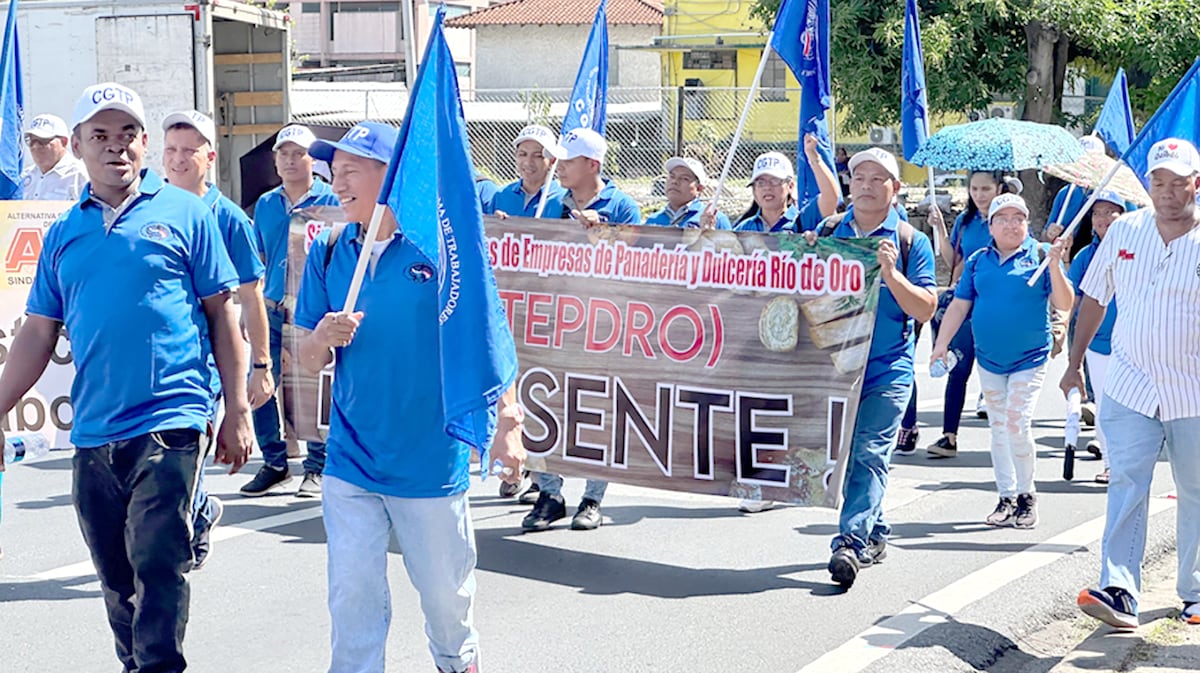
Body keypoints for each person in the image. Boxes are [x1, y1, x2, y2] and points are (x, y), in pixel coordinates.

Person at [0, 82, 253, 673]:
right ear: (80, 148)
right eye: (100, 136)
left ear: (144, 144)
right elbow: (38, 334)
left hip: (171, 418)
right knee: (117, 581)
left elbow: (225, 313)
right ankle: (135, 663)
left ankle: (159, 666)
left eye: (127, 135)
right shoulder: (64, 233)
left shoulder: (186, 214)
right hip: (93, 432)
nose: (115, 147)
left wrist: (238, 406)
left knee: (157, 564)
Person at [294, 121, 525, 673]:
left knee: (446, 603)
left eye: (352, 169)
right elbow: (306, 358)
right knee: (352, 597)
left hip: (429, 460)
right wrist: (322, 338)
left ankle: (456, 661)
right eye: (334, 169)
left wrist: (508, 421)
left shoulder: (440, 251)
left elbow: (487, 337)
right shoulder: (329, 250)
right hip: (351, 459)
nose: (338, 180)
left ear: (391, 175)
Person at [1065, 138, 1200, 630]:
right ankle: (1120, 588)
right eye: (1158, 182)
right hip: (1130, 384)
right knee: (1126, 481)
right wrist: (1074, 360)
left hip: (1193, 392)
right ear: (1147, 184)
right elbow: (1095, 297)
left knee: (1196, 490)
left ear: (1196, 186)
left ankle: (1195, 590)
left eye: (1177, 184)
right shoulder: (1124, 230)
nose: (1166, 193)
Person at [811, 147, 937, 587]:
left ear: (895, 188)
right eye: (858, 177)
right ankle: (875, 528)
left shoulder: (908, 241)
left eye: (876, 178)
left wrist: (891, 273)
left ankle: (849, 541)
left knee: (869, 452)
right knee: (844, 456)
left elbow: (924, 309)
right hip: (835, 366)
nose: (865, 185)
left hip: (887, 367)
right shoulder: (828, 231)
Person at [160, 109, 270, 568]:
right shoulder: (151, 207)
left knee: (190, 450)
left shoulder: (227, 219)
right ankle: (201, 508)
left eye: (189, 151)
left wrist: (260, 365)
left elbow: (251, 294)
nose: (179, 160)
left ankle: (195, 515)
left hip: (208, 363)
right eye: (171, 150)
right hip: (163, 360)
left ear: (209, 156)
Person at [520, 127, 638, 532]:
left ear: (592, 165)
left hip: (602, 326)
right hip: (553, 324)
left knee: (597, 412)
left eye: (568, 161)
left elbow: (639, 261)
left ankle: (592, 498)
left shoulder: (621, 206)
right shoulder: (550, 204)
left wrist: (602, 233)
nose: (561, 167)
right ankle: (549, 493)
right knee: (542, 403)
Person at [931, 194, 1073, 529]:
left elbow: (1065, 302)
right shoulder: (979, 260)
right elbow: (959, 305)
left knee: (1016, 424)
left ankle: (1027, 496)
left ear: (1027, 223)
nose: (1011, 224)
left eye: (1018, 218)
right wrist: (940, 344)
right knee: (998, 429)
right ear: (991, 225)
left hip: (1030, 357)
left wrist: (1055, 265)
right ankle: (1006, 496)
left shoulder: (1040, 255)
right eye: (1003, 218)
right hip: (990, 359)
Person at [242, 124, 339, 498]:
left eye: (299, 153)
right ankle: (274, 461)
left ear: (313, 160)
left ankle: (316, 464)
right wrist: (247, 308)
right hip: (272, 306)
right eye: (284, 153)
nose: (290, 160)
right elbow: (259, 258)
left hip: (311, 309)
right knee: (261, 383)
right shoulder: (266, 204)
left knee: (312, 388)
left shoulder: (330, 201)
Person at [902, 171, 1023, 458]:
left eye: (986, 188)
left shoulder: (1008, 222)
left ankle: (1007, 438)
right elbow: (953, 260)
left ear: (999, 189)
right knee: (958, 368)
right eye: (974, 189)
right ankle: (949, 436)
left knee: (1002, 373)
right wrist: (941, 230)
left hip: (997, 304)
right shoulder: (965, 222)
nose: (979, 195)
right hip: (964, 302)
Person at [1065, 190, 1126, 485]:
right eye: (1096, 213)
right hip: (1098, 345)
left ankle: (1131, 462)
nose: (1102, 219)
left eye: (1109, 212)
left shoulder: (1137, 250)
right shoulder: (1083, 258)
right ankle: (1111, 463)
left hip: (1132, 344)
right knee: (1104, 405)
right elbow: (1072, 303)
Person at [732, 135, 838, 232]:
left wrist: (813, 155)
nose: (767, 187)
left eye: (775, 181)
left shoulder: (802, 221)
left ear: (790, 186)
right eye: (761, 183)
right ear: (754, 191)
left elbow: (830, 198)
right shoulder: (743, 229)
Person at [489, 124, 564, 219]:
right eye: (522, 154)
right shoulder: (501, 195)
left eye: (537, 155)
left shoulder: (562, 199)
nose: (528, 162)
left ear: (552, 160)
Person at [645, 156, 731, 229]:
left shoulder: (716, 219)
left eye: (684, 178)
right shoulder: (653, 220)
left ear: (699, 188)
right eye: (672, 176)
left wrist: (708, 234)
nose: (674, 181)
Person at [20, 113, 87, 200]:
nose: (35, 146)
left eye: (43, 140)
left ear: (64, 142)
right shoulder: (25, 176)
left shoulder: (79, 176)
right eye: (31, 141)